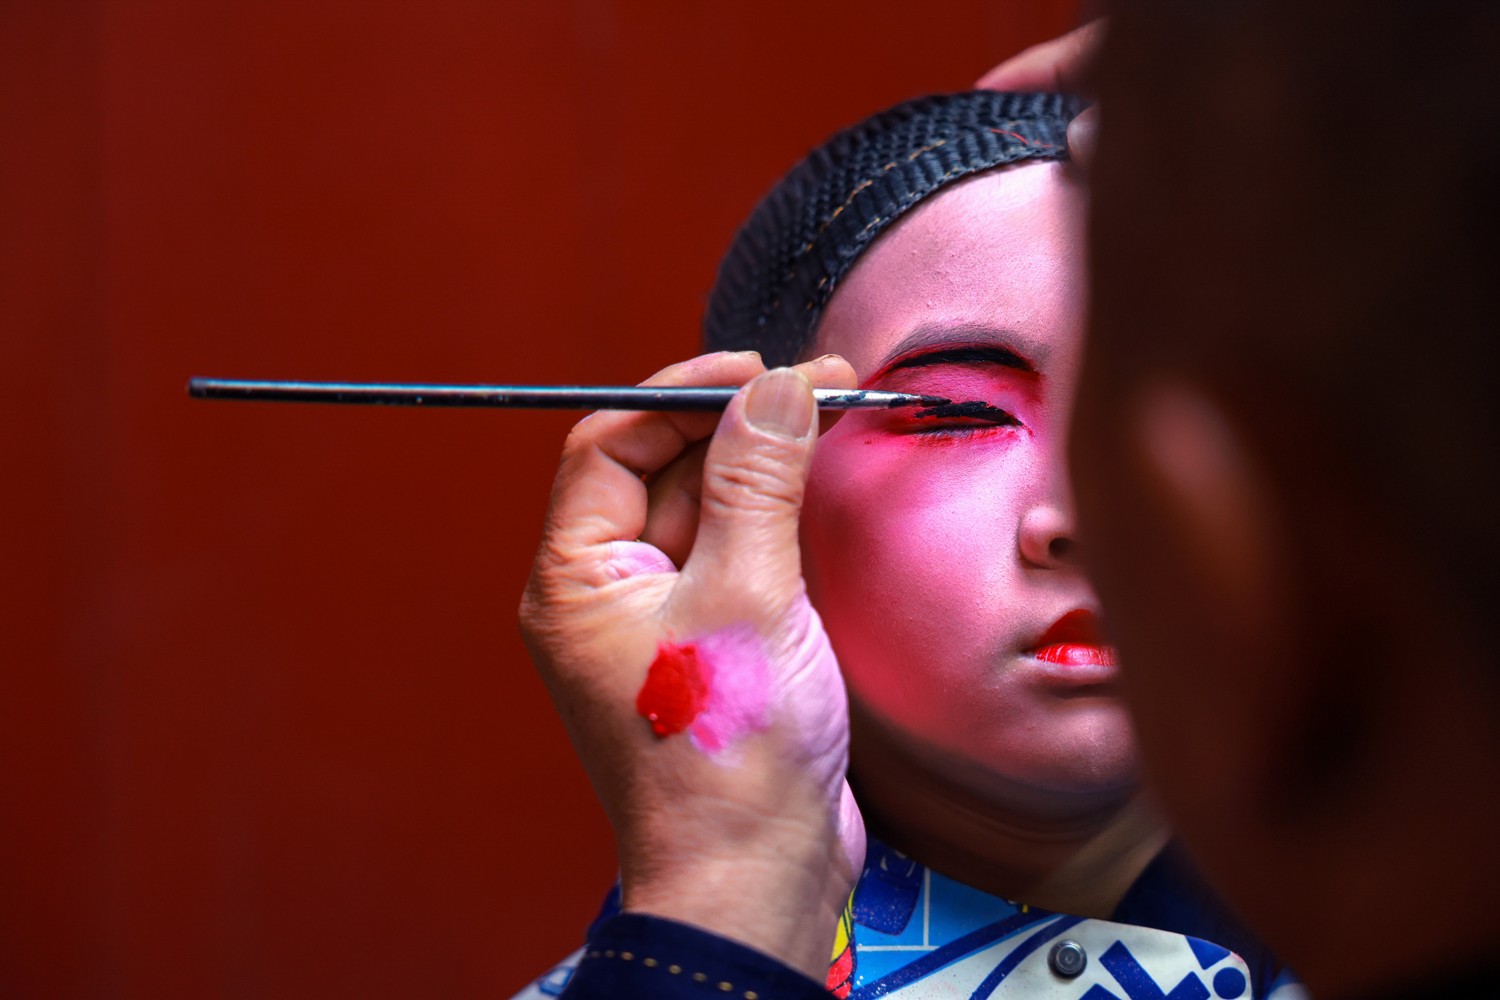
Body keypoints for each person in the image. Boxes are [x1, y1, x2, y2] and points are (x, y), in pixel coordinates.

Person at [520, 2, 1500, 997]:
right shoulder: (681, 959)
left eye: (1162, 405)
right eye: (961, 415)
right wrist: (726, 889)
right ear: (736, 497)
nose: (1086, 516)